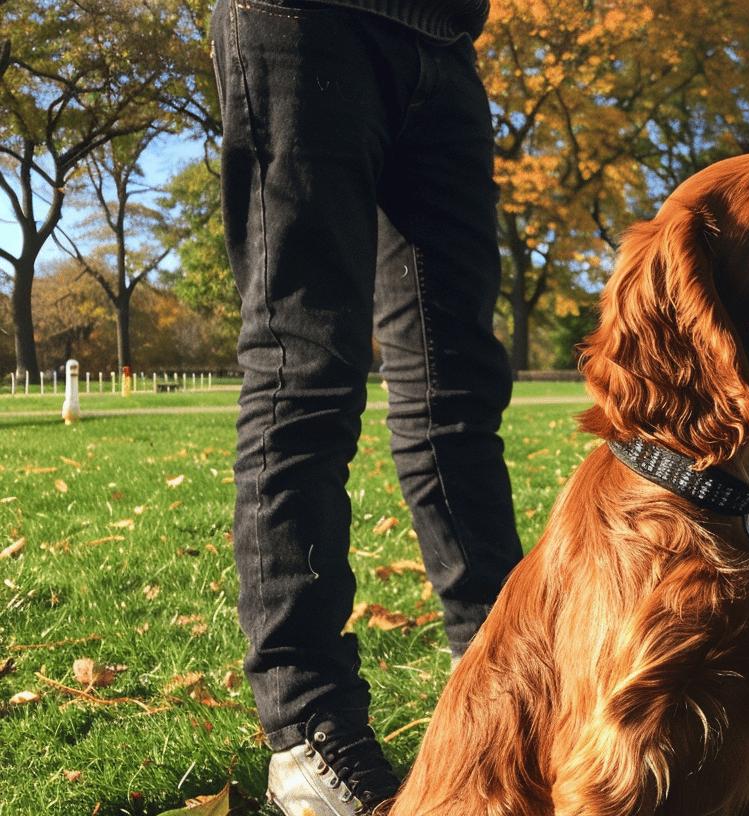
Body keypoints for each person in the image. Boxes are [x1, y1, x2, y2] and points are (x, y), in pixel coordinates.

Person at [210, 1, 522, 813]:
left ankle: (507, 683)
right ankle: (308, 730)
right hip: (302, 20)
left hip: (446, 40)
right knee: (303, 369)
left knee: (458, 391)